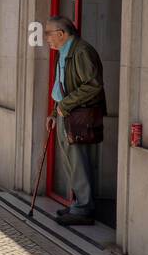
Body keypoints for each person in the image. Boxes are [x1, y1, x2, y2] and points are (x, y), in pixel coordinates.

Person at [45, 15, 106, 226]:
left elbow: (93, 85)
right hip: (67, 113)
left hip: (79, 116)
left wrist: (64, 106)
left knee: (79, 161)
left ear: (61, 34)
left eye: (48, 33)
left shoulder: (81, 52)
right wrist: (55, 112)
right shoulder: (64, 52)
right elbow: (62, 88)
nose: (46, 38)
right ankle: (79, 203)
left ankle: (83, 208)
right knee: (72, 162)